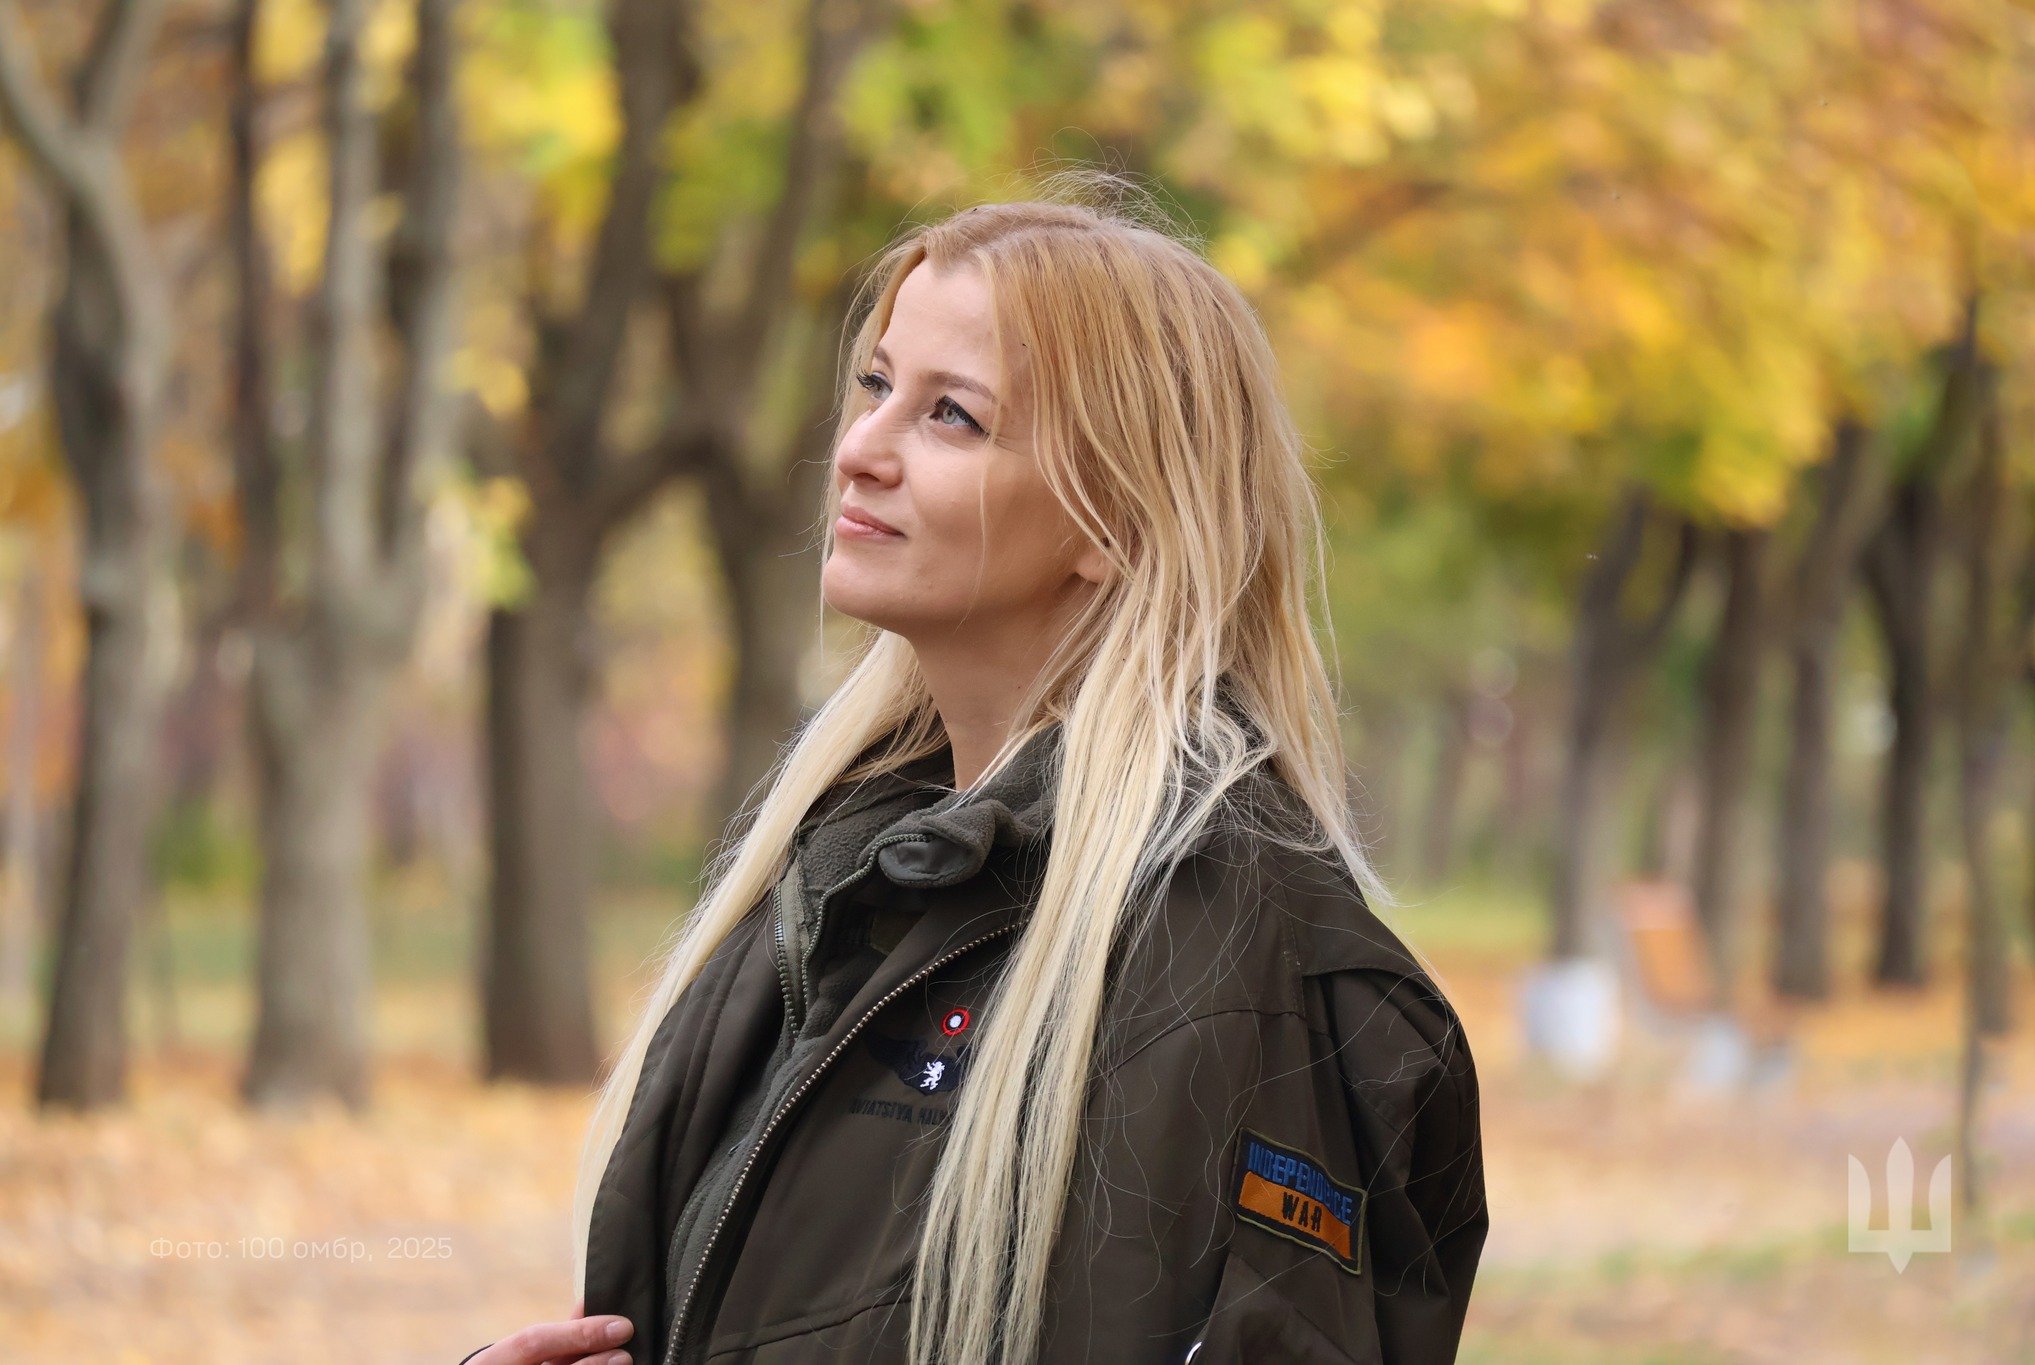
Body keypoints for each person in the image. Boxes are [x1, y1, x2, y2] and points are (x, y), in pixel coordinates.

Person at [461, 177, 1487, 1365]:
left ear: (1112, 521)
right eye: (876, 386)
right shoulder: (833, 879)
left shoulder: (1240, 972)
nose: (859, 450)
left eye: (951, 416)